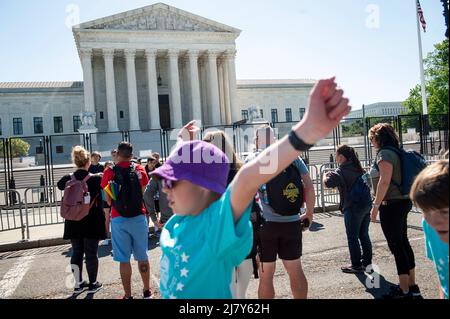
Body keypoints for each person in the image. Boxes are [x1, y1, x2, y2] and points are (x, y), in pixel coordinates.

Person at [150, 77, 350, 299]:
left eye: (172, 182)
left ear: (203, 188)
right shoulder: (178, 221)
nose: (165, 189)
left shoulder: (213, 224)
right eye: (164, 181)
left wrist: (305, 132)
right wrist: (183, 142)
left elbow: (247, 178)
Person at [245, 125, 315, 299]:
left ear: (257, 140)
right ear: (275, 139)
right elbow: (309, 186)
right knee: (295, 269)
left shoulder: (254, 158)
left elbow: (244, 191)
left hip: (265, 225)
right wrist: (309, 214)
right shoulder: (293, 157)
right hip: (292, 222)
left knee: (266, 275)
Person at [202, 129, 259, 299]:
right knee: (240, 292)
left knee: (229, 290)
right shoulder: (241, 170)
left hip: (221, 235)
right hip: (243, 232)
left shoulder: (208, 175)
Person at [368, 123, 421, 299]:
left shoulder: (384, 154)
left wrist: (375, 206)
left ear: (378, 138)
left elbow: (384, 181)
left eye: (372, 139)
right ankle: (411, 286)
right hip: (404, 201)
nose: (371, 142)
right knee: (403, 243)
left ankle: (403, 289)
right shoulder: (398, 151)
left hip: (391, 205)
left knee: (396, 246)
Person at [101, 142, 151, 299]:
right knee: (142, 256)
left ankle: (128, 295)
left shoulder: (109, 172)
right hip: (138, 217)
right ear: (131, 154)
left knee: (124, 259)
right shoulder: (140, 169)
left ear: (118, 154)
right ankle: (147, 290)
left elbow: (108, 200)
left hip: (118, 218)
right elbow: (143, 193)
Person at [57, 146, 105, 296]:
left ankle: (78, 284)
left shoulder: (67, 178)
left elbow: (59, 185)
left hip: (73, 220)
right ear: (88, 162)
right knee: (91, 253)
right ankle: (93, 283)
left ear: (75, 162)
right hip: (91, 220)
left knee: (77, 252)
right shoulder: (96, 179)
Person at [323, 145, 373, 273]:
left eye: (336, 155)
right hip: (366, 204)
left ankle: (356, 265)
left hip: (352, 207)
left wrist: (325, 175)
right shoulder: (359, 168)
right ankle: (367, 263)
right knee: (364, 235)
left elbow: (328, 183)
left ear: (341, 157)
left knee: (352, 237)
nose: (335, 157)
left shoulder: (341, 171)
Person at [410, 160, 449, 299]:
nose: (435, 221)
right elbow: (443, 276)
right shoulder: (430, 227)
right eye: (426, 210)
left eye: (444, 212)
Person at [101, 161, 114, 246]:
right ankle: (106, 237)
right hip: (105, 199)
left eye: (110, 166)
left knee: (113, 219)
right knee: (107, 219)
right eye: (107, 166)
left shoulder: (115, 175)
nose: (109, 168)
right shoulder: (102, 176)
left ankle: (113, 237)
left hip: (114, 199)